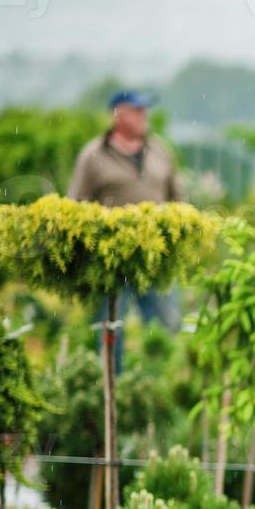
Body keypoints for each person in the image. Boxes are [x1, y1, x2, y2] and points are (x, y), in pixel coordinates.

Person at [67, 90, 185, 372]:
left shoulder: (160, 150)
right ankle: (113, 390)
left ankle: (159, 385)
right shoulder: (93, 155)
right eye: (137, 111)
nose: (144, 117)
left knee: (165, 325)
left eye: (145, 110)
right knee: (111, 329)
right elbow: (75, 207)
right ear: (118, 114)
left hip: (155, 258)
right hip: (110, 261)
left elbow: (178, 201)